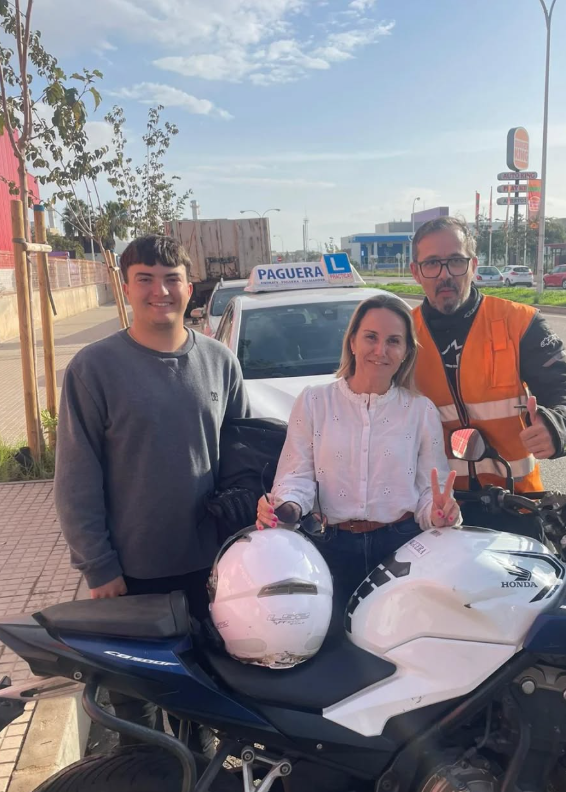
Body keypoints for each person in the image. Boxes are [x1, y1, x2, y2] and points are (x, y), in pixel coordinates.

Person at [54, 234, 249, 749]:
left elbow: (240, 459)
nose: (159, 290)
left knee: (203, 707)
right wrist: (100, 567)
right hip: (131, 575)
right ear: (126, 286)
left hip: (209, 571)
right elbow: (76, 477)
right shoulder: (94, 370)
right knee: (136, 714)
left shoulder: (219, 362)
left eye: (171, 279)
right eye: (145, 278)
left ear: (190, 288)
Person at [256, 295, 460, 634]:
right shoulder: (314, 401)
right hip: (330, 547)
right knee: (331, 646)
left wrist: (439, 513)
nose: (381, 350)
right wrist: (285, 509)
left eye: (394, 341)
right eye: (371, 337)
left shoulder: (420, 411)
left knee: (399, 644)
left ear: (406, 352)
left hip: (402, 549)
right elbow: (296, 477)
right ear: (352, 341)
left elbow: (427, 493)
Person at [409, 216, 566, 523]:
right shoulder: (403, 335)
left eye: (456, 261)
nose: (445, 275)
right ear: (415, 272)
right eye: (432, 264)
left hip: (518, 504)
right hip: (438, 510)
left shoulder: (517, 322)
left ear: (473, 265)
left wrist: (558, 426)